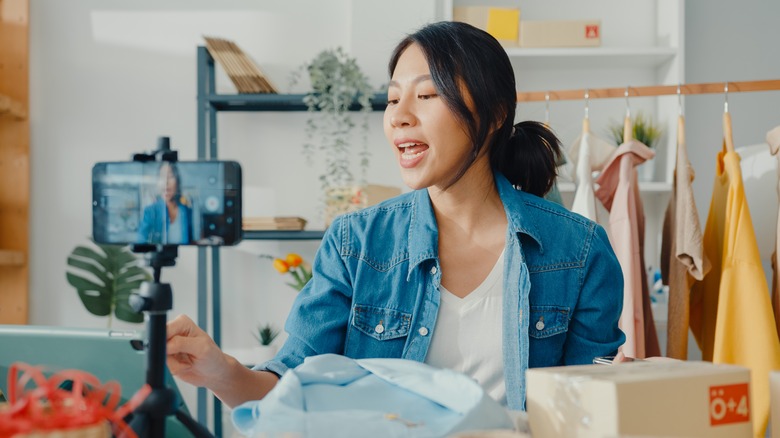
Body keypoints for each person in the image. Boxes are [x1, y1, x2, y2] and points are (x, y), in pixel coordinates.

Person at [166, 21, 625, 411]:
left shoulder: (580, 251)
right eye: (391, 99)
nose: (399, 116)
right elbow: (292, 388)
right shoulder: (356, 243)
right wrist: (220, 371)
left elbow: (591, 410)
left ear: (494, 113)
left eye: (426, 95)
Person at [137, 162, 192, 245]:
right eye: (161, 177)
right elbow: (141, 241)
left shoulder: (186, 211)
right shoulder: (150, 211)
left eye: (170, 176)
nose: (166, 182)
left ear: (178, 181)